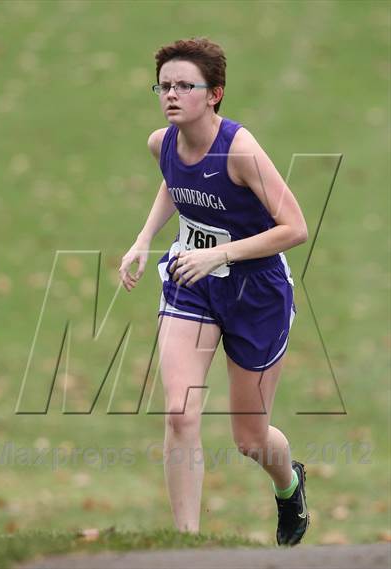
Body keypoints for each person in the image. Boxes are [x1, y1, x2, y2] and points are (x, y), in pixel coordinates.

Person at [119, 37, 310, 546]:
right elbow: (173, 182)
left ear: (215, 94)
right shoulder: (162, 142)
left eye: (185, 86)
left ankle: (289, 486)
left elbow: (295, 228)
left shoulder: (240, 150)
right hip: (192, 284)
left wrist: (220, 254)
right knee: (180, 414)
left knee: (249, 439)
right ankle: (186, 545)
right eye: (164, 86)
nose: (171, 94)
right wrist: (143, 240)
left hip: (257, 293)